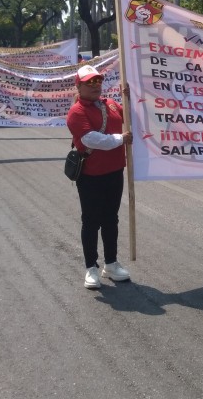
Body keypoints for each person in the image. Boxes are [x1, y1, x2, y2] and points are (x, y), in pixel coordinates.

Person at [66, 64, 133, 288]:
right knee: (91, 221)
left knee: (111, 219)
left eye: (98, 81)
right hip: (91, 175)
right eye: (89, 83)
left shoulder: (112, 104)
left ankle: (111, 264)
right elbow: (90, 139)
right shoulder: (77, 111)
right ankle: (91, 268)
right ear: (79, 86)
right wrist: (121, 139)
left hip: (115, 172)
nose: (95, 86)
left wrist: (131, 98)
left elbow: (132, 116)